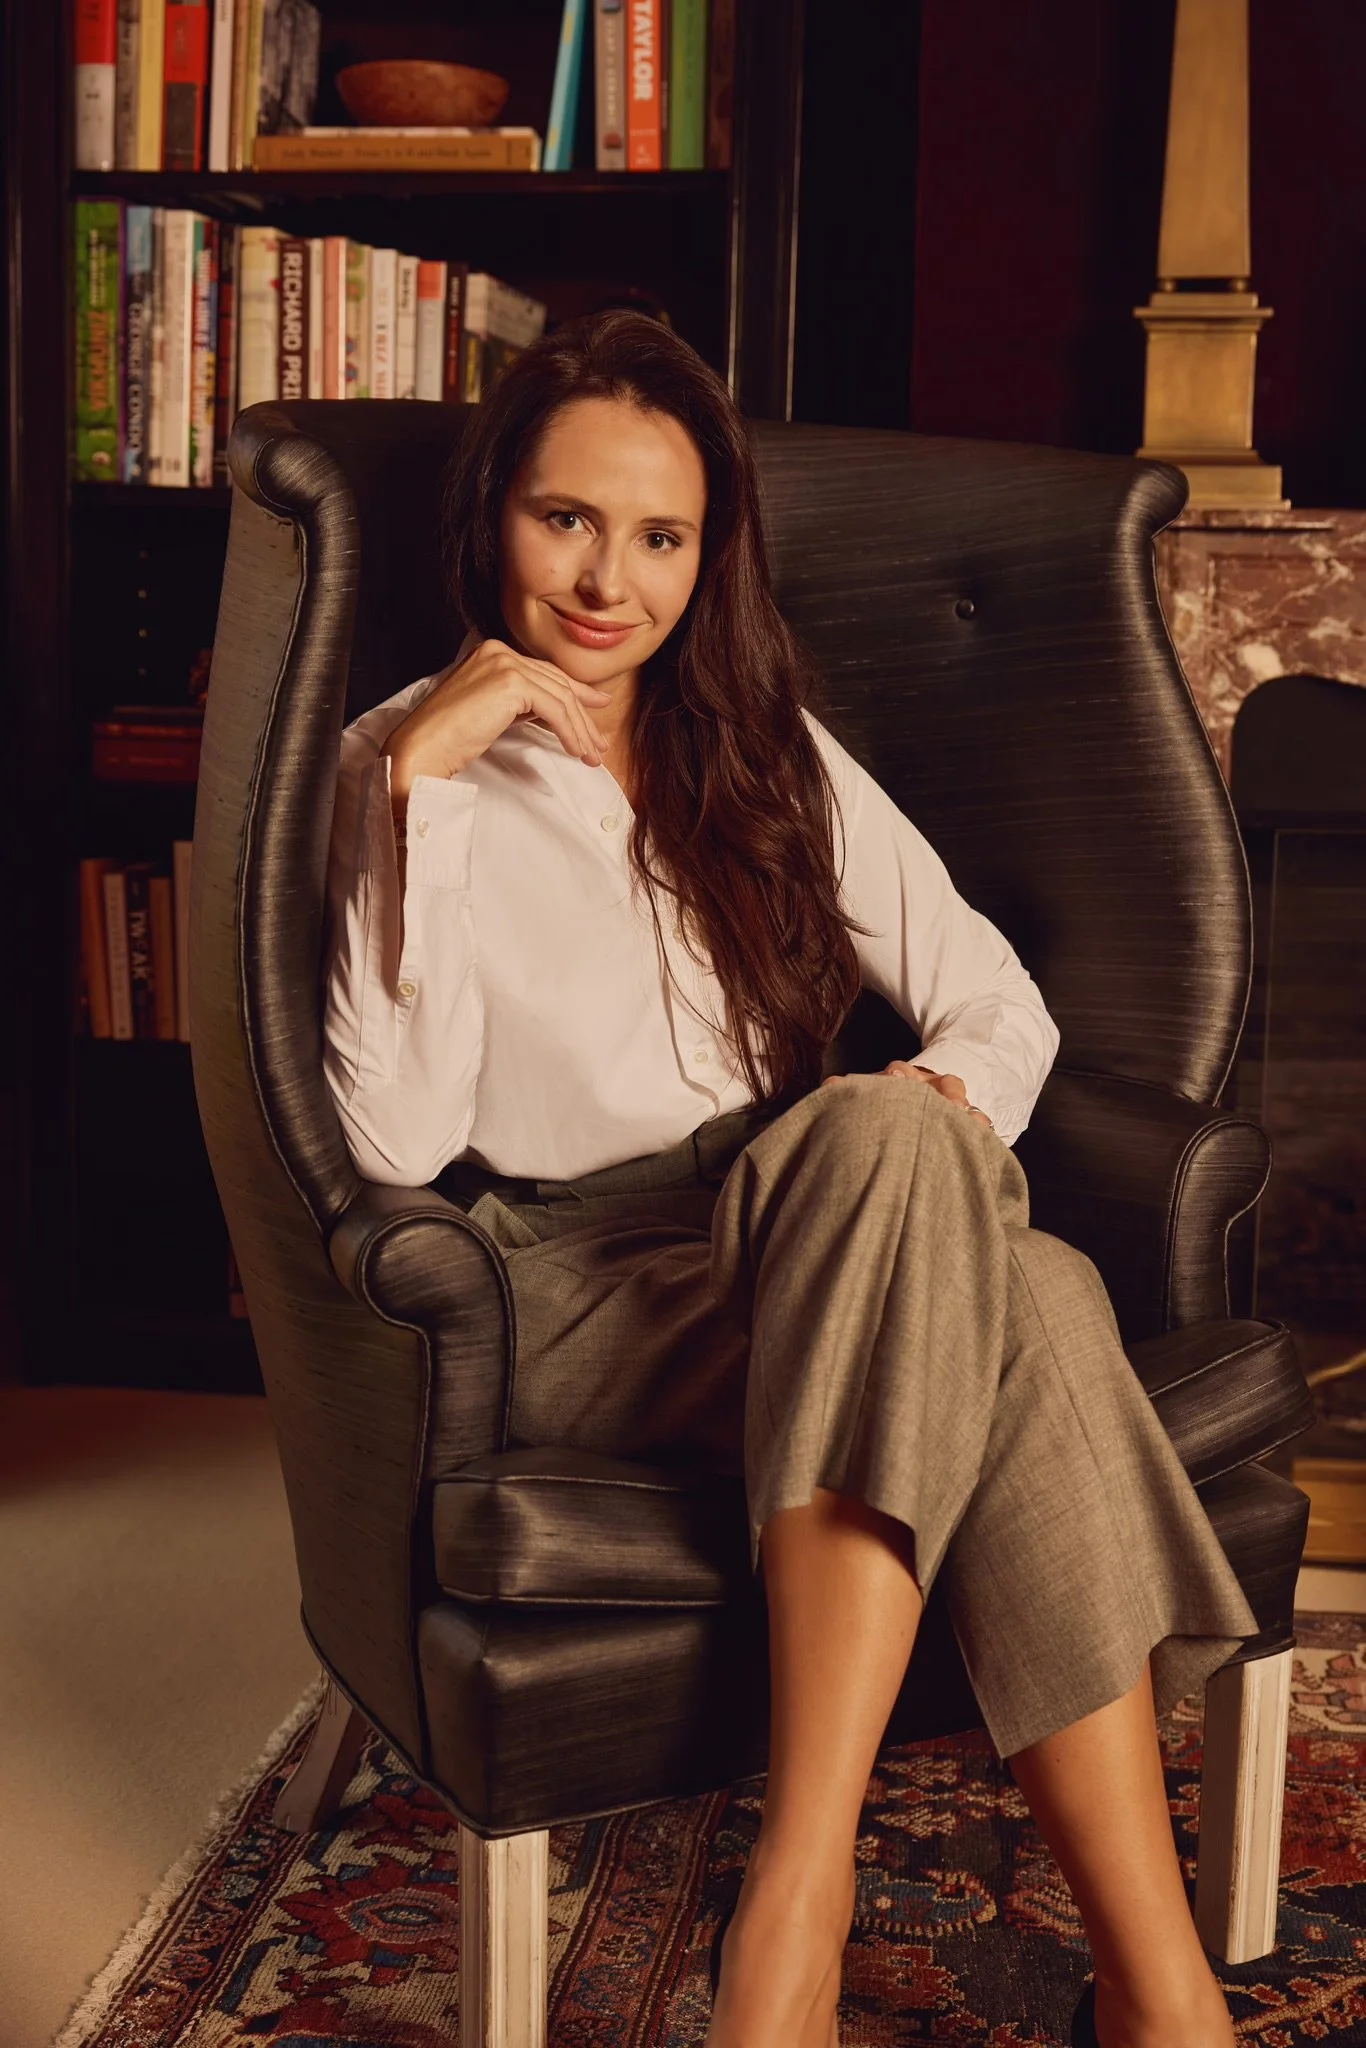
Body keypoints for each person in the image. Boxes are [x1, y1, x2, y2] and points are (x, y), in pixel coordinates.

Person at [322, 310, 1254, 2048]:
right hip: (580, 1278)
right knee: (1032, 1289)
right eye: (565, 520)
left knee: (908, 1149)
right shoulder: (398, 764)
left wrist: (926, 1110)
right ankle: (1066, 1969)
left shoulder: (762, 747)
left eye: (660, 537)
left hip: (806, 1220)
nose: (609, 581)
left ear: (709, 553)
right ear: (490, 520)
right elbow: (384, 1147)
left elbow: (997, 1002)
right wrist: (422, 796)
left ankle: (943, 1942)